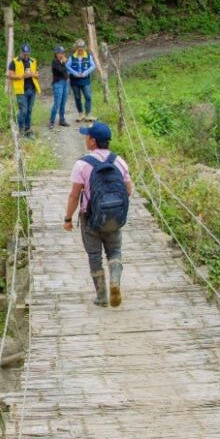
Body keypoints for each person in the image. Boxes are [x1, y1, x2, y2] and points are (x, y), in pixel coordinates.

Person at [63, 122, 133, 307]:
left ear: (93, 141)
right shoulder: (119, 161)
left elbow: (74, 195)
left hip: (90, 219)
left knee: (95, 256)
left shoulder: (82, 164)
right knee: (115, 251)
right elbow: (129, 190)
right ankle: (115, 282)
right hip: (115, 218)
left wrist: (68, 218)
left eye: (87, 136)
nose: (85, 139)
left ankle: (102, 296)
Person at [7, 44, 41, 138]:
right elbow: (10, 75)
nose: (26, 55)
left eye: (28, 54)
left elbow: (37, 74)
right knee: (23, 111)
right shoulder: (14, 62)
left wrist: (32, 74)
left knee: (29, 111)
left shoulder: (33, 61)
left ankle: (28, 130)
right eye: (24, 54)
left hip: (32, 89)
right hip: (21, 91)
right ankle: (20, 130)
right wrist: (22, 76)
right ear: (21, 52)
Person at [66, 39, 96, 123]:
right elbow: (67, 66)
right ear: (76, 48)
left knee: (88, 96)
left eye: (82, 49)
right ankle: (80, 114)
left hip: (85, 80)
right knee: (77, 97)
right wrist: (74, 72)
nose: (80, 51)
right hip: (75, 80)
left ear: (84, 48)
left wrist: (86, 72)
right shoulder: (71, 57)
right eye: (79, 49)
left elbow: (93, 66)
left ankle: (88, 115)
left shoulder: (88, 56)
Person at [49, 46, 70, 129]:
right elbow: (61, 70)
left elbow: (67, 71)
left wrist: (64, 62)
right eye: (60, 53)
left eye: (63, 53)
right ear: (56, 54)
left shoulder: (63, 62)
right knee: (57, 103)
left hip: (65, 83)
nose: (62, 55)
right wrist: (64, 62)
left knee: (63, 103)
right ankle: (52, 121)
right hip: (58, 84)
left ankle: (62, 120)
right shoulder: (55, 62)